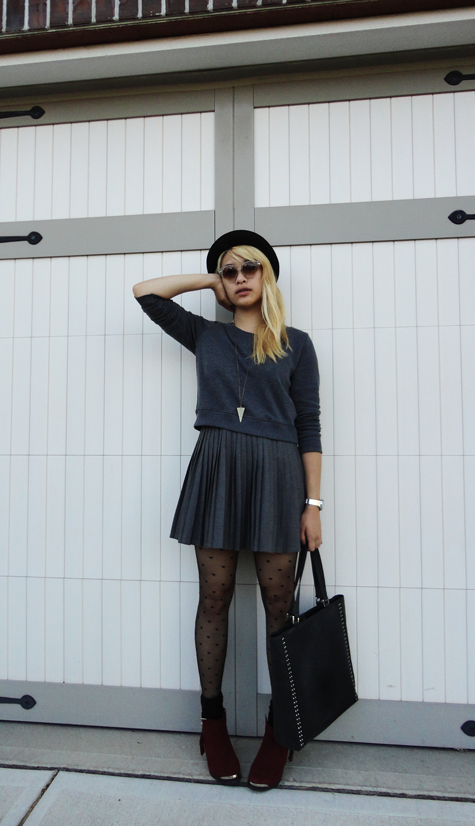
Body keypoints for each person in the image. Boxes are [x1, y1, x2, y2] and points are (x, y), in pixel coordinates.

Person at [133, 230, 322, 791]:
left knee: (278, 607)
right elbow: (145, 292)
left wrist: (313, 504)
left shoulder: (296, 344)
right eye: (230, 271)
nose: (240, 279)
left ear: (268, 276)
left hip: (277, 478)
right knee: (213, 598)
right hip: (217, 470)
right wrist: (208, 279)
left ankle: (280, 729)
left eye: (249, 269)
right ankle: (211, 722)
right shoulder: (206, 335)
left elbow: (309, 426)